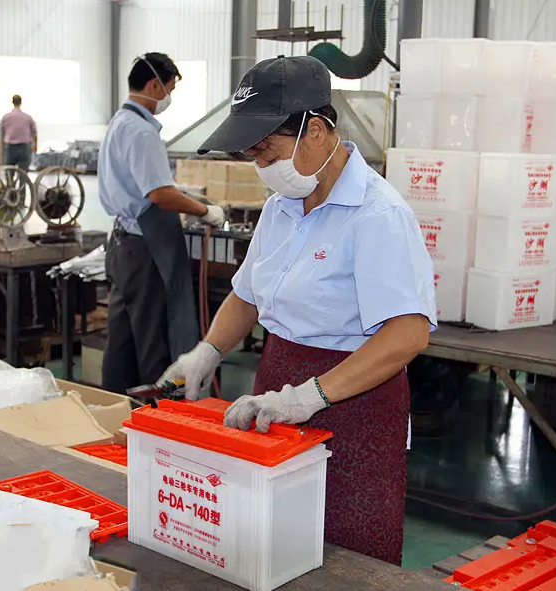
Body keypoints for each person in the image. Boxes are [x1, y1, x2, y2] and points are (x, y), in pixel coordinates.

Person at [157, 56, 437, 565]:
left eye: (268, 150)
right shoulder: (281, 207)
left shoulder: (379, 215)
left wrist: (310, 396)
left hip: (354, 405)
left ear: (318, 130)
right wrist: (208, 353)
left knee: (345, 556)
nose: (262, 167)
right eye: (253, 156)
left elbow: (407, 336)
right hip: (278, 386)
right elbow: (247, 295)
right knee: (274, 543)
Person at [98, 52, 226, 394]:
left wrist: (175, 191)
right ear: (155, 85)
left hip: (122, 243)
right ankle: (158, 412)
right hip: (143, 248)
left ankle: (114, 405)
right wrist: (203, 210)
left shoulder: (119, 123)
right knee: (154, 334)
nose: (169, 97)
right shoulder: (141, 132)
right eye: (170, 88)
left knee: (122, 336)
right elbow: (158, 195)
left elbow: (149, 187)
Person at [0, 94, 37, 171]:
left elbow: (2, 133)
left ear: (12, 102)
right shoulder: (28, 117)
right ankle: (22, 183)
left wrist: (2, 147)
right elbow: (34, 133)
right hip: (24, 147)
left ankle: (10, 183)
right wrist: (35, 146)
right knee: (23, 171)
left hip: (10, 147)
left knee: (9, 171)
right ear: (21, 103)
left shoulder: (6, 117)